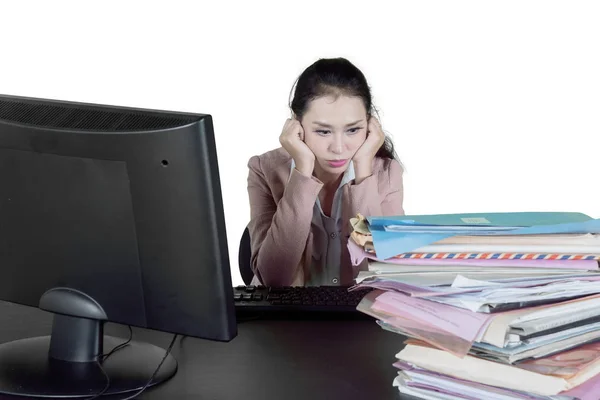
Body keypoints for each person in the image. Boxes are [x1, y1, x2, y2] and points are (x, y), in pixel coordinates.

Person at [246, 57, 405, 287]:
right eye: (323, 132)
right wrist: (302, 171)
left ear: (370, 126)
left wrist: (363, 173)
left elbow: (382, 278)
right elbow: (274, 279)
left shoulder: (387, 174)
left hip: (358, 320)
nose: (339, 148)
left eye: (353, 129)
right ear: (297, 125)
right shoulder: (264, 170)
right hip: (288, 319)